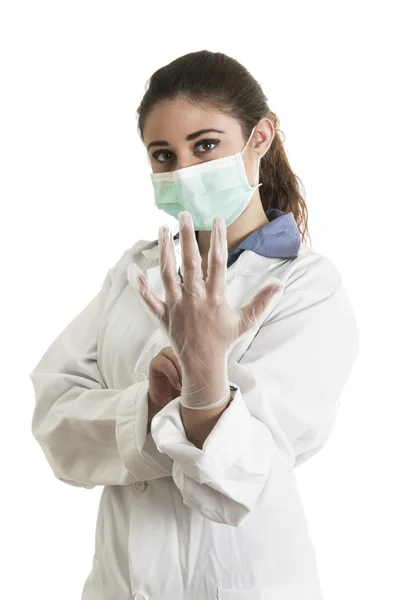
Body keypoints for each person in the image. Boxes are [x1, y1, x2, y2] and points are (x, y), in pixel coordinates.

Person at [29, 50, 359, 600]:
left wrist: (202, 386)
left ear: (259, 139)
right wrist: (153, 406)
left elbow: (244, 480)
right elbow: (54, 420)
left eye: (205, 145)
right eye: (163, 155)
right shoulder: (134, 273)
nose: (183, 169)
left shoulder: (307, 287)